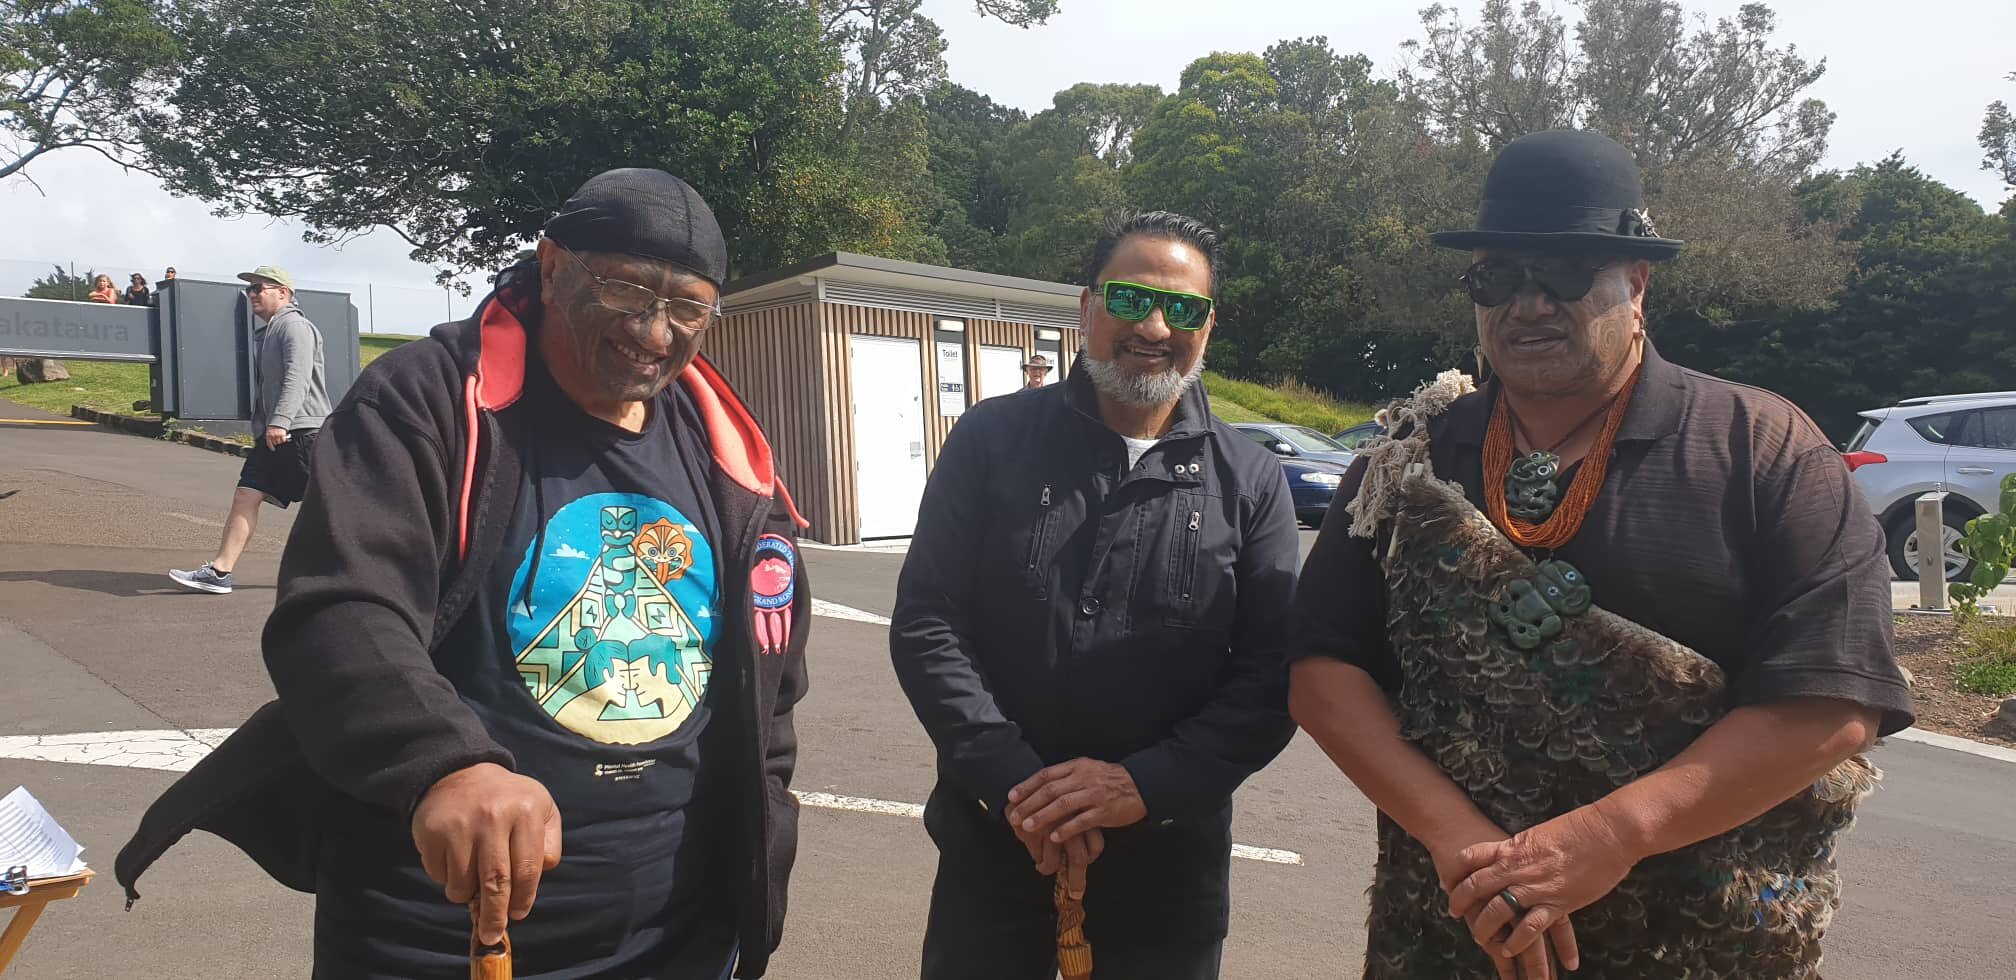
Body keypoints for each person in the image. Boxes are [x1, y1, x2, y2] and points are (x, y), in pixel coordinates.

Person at [121, 169, 812, 978]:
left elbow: (772, 679)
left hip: (679, 936)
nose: (657, 331)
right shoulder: (429, 400)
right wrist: (446, 761)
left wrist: (761, 848)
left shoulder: (724, 446)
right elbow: (343, 608)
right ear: (553, 268)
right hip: (440, 934)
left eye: (688, 306)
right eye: (627, 291)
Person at [1287, 129, 1914, 980]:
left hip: (1703, 945)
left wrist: (1611, 835)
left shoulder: (1762, 450)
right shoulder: (1408, 457)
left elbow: (1832, 701)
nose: (1529, 304)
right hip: (1449, 930)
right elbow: (1323, 672)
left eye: (1565, 274)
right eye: (1498, 278)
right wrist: (1461, 840)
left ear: (1638, 284)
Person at [890, 210, 1301, 980]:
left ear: (1208, 327)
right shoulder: (991, 441)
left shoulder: (1249, 482)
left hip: (1167, 873)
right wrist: (1016, 781)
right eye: (1129, 299)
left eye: (1182, 308)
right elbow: (928, 624)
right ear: (1086, 307)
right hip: (995, 846)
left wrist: (1143, 785)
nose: (1153, 325)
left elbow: (1274, 672)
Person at [168, 265, 331, 595]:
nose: (251, 295)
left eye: (259, 288)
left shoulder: (295, 327)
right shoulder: (271, 331)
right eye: (249, 290)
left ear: (283, 293)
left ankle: (373, 569)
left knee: (331, 508)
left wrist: (280, 421)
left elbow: (296, 379)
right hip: (276, 434)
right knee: (246, 495)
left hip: (301, 433)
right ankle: (219, 572)